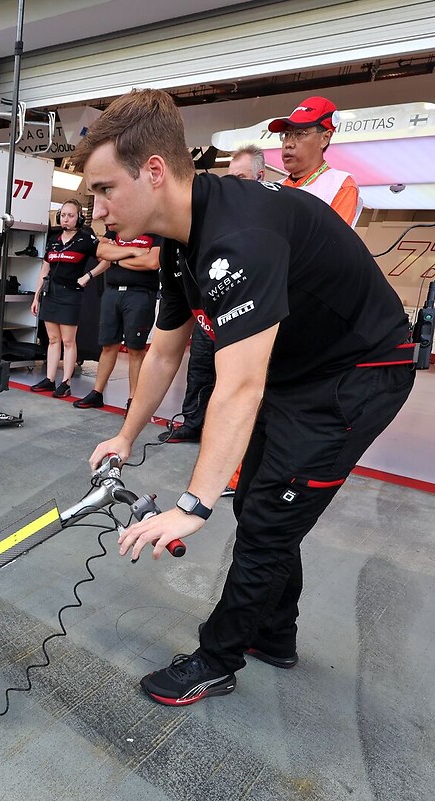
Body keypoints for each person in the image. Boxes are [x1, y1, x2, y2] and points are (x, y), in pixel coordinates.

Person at [76, 89, 414, 706]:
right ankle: (274, 634)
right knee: (264, 501)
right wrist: (125, 436)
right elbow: (165, 350)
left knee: (268, 518)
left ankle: (217, 658)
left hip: (359, 370)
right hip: (300, 368)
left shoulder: (240, 236)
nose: (97, 212)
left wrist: (192, 505)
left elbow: (238, 385)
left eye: (104, 190)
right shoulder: (181, 240)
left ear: (154, 171)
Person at [161, 145, 267, 443]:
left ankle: (234, 435)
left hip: (248, 315)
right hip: (209, 311)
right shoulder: (214, 215)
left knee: (238, 378)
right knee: (199, 367)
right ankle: (192, 422)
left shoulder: (266, 216)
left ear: (260, 177)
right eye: (229, 178)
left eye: (241, 178)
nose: (232, 185)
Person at [72, 228, 161, 411]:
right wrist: (134, 251)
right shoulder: (117, 229)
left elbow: (152, 262)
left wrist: (116, 258)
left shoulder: (154, 231)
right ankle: (97, 393)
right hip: (112, 292)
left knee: (135, 349)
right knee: (108, 345)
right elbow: (101, 252)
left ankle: (134, 400)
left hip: (140, 294)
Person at [30, 198, 97, 397]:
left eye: (71, 215)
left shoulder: (86, 239)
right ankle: (50, 379)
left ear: (79, 218)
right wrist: (36, 296)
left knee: (68, 341)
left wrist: (89, 275)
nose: (66, 219)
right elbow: (45, 269)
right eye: (63, 215)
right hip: (51, 293)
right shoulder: (53, 240)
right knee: (52, 339)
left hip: (71, 294)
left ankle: (66, 382)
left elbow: (106, 260)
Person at [269, 95, 362, 225]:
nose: (288, 143)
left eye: (299, 134)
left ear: (325, 138)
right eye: (286, 135)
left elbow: (333, 237)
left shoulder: (339, 186)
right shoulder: (273, 188)